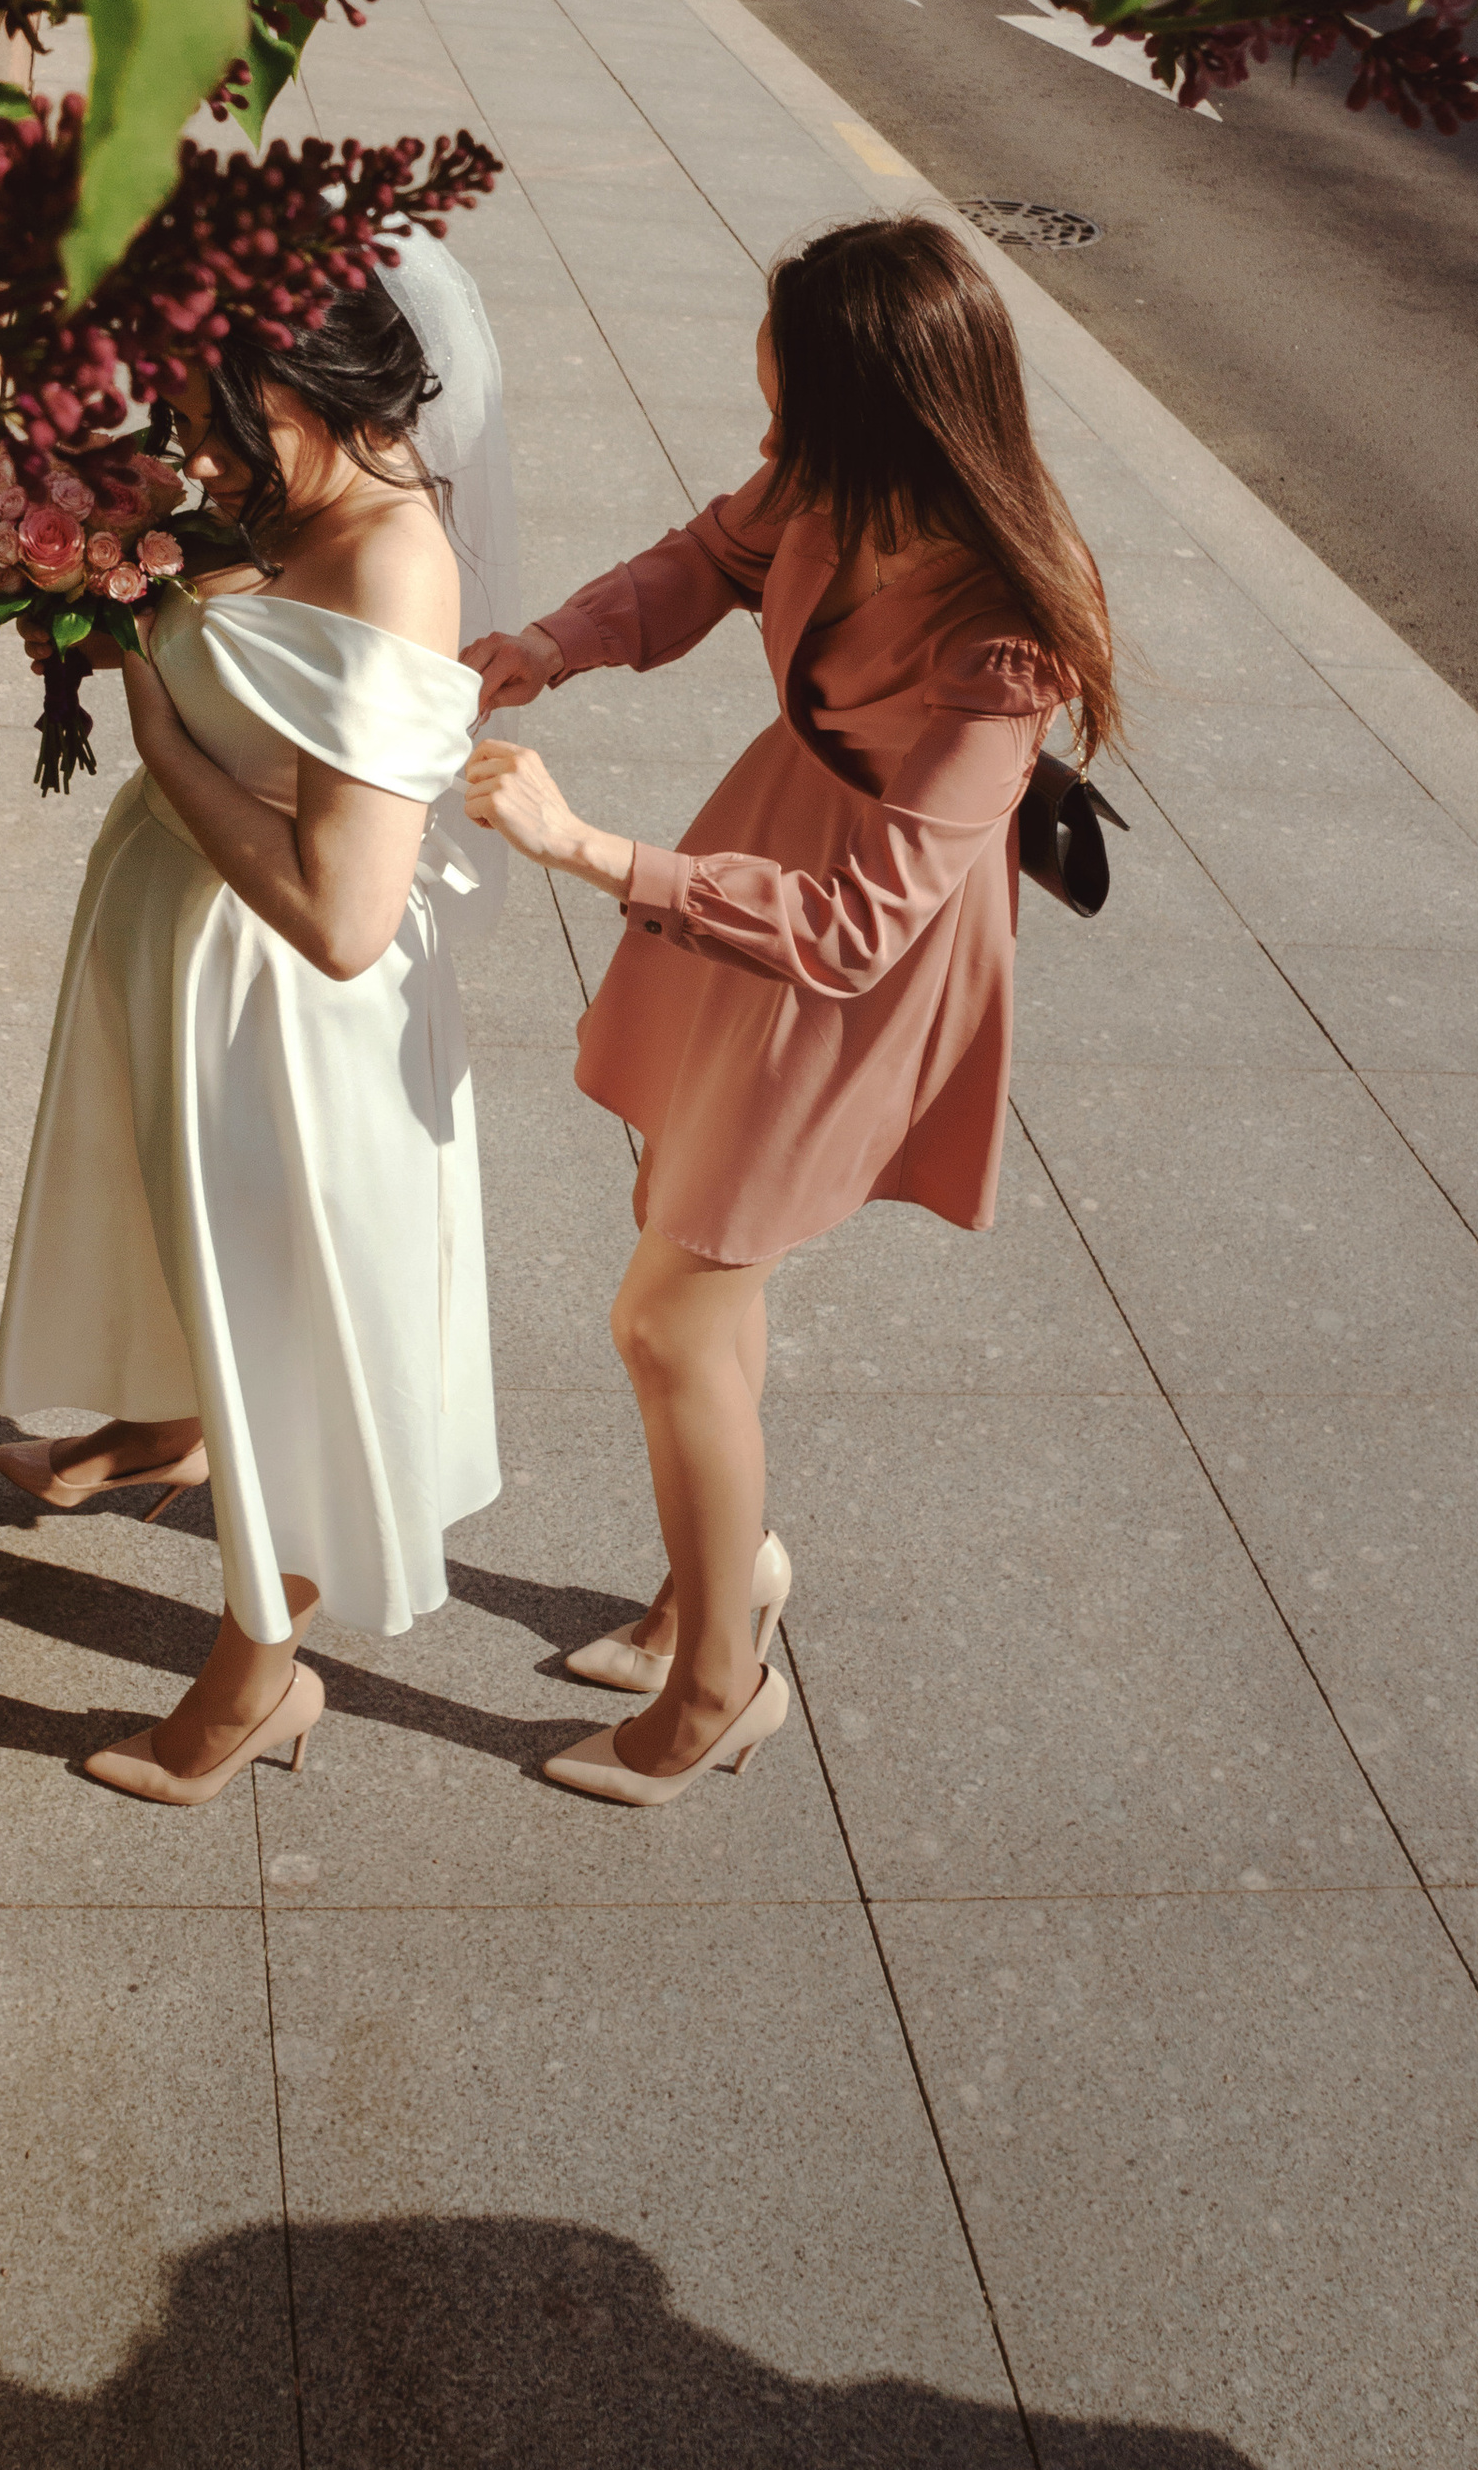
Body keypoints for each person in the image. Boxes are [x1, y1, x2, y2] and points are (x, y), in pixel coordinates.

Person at [461, 217, 1116, 1809]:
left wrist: (591, 851)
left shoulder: (1005, 634)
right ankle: (713, 1576)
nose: (768, 447)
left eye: (788, 414)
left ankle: (716, 1690)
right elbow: (710, 555)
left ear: (880, 409)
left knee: (664, 1307)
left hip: (848, 945)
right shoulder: (837, 470)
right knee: (696, 1232)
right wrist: (559, 642)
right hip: (770, 849)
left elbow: (861, 927)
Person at [0, 242, 518, 1807]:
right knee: (176, 1234)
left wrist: (156, 720)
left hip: (290, 1027)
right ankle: (165, 1426)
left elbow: (346, 923)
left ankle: (254, 1684)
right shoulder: (273, 498)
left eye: (229, 423)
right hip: (193, 959)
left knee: (290, 1327)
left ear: (322, 387)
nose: (199, 456)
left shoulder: (388, 568)